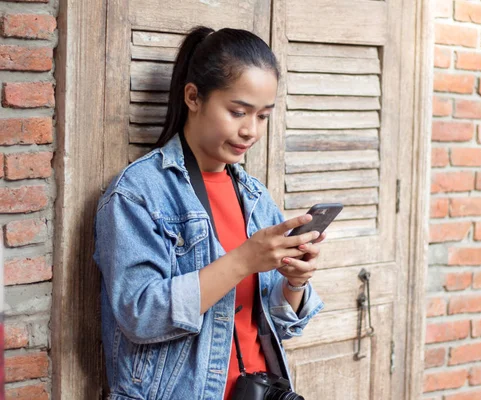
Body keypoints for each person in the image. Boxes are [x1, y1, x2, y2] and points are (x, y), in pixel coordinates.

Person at [93, 26, 324, 400]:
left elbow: (277, 325)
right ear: (193, 97)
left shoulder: (255, 197)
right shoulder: (138, 194)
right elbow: (139, 314)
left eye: (263, 116)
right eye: (237, 112)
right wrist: (243, 260)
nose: (250, 130)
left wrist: (294, 282)